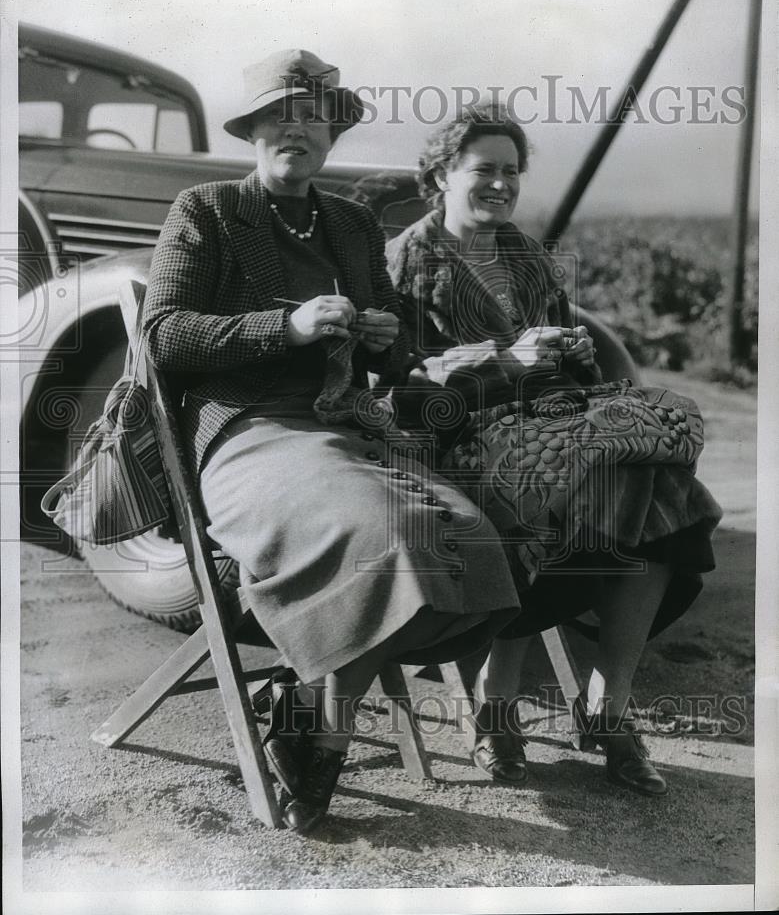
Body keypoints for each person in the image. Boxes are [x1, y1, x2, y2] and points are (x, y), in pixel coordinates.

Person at [142, 53, 522, 833]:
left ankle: (310, 711)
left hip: (341, 426)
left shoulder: (349, 220)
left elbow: (393, 352)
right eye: (281, 114)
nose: (297, 129)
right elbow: (163, 337)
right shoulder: (207, 210)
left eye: (313, 116)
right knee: (385, 537)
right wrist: (283, 326)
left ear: (330, 133)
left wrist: (385, 336)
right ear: (253, 130)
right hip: (246, 431)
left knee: (476, 540)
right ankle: (327, 740)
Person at [386, 103, 722, 797]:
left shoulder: (527, 256)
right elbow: (400, 386)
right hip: (448, 445)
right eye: (483, 170)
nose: (501, 185)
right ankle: (500, 701)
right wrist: (505, 359)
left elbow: (573, 370)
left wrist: (566, 356)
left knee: (654, 483)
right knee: (575, 486)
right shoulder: (408, 260)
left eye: (512, 172)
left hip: (547, 432)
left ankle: (606, 702)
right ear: (441, 174)